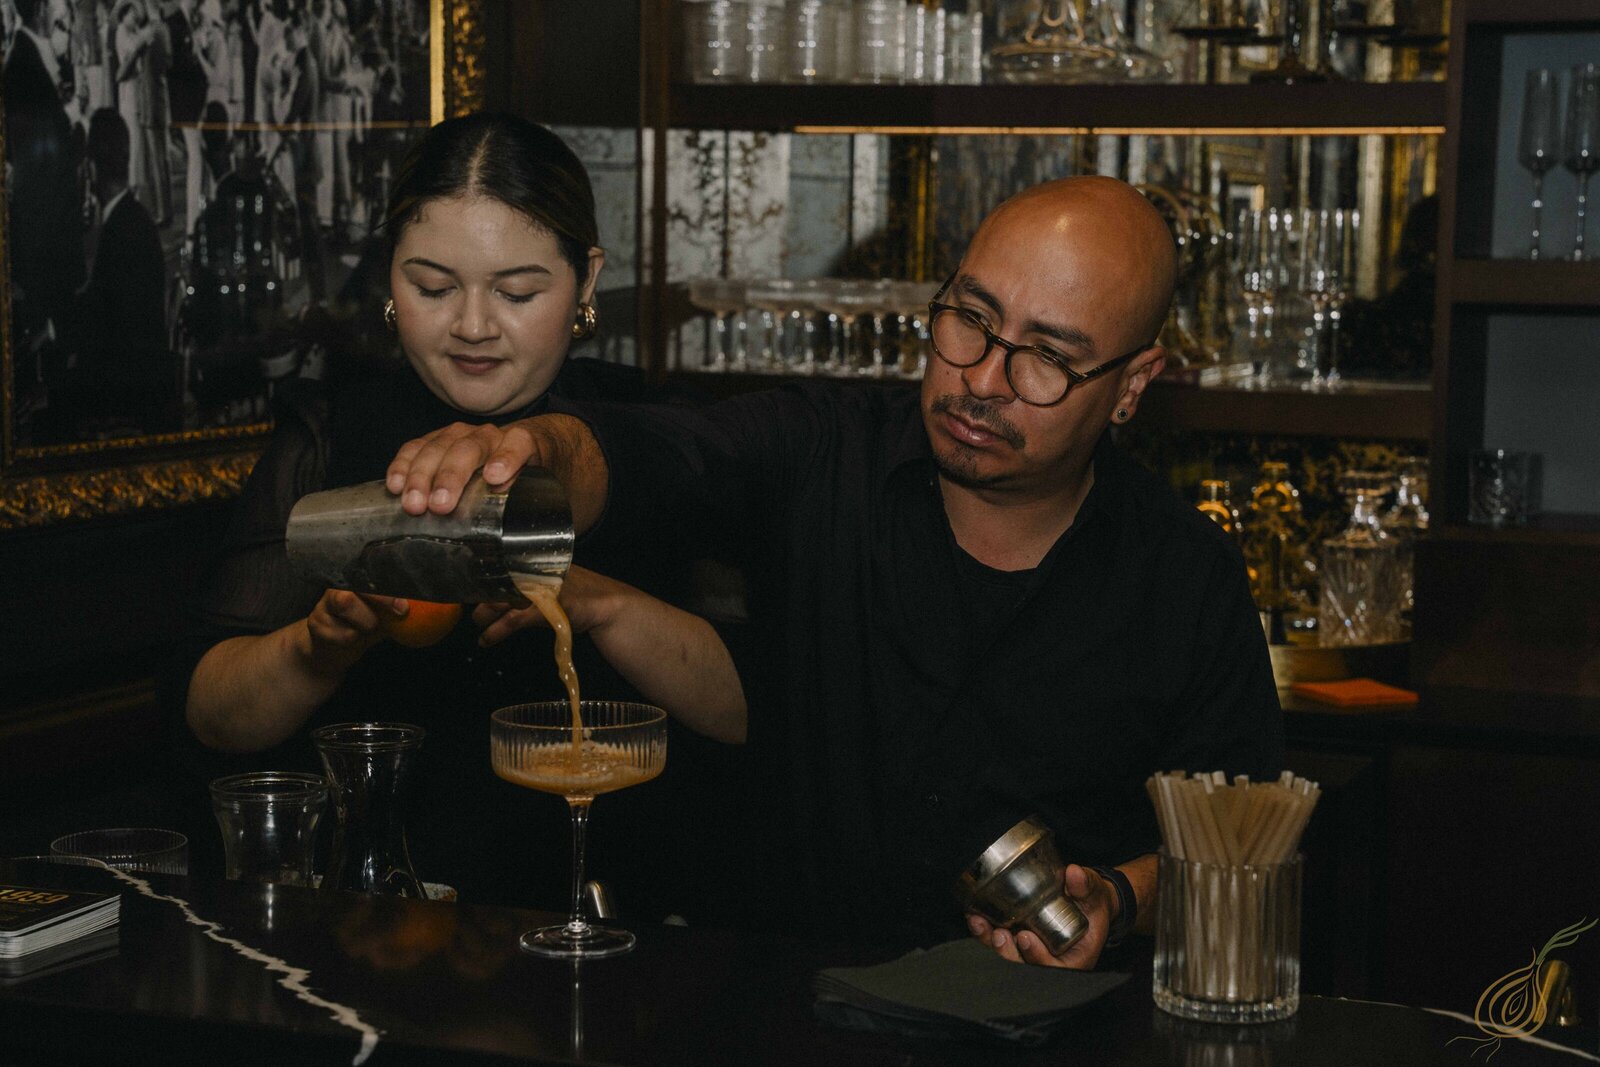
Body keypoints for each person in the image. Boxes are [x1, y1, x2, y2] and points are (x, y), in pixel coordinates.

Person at [384, 176, 1285, 967]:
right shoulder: (822, 453)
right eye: (969, 319)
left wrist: (1119, 900)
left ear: (1133, 384)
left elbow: (1239, 840)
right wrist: (535, 449)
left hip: (1055, 1038)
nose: (982, 379)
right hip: (793, 1018)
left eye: (1047, 358)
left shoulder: (1183, 573)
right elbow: (661, 453)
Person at [174, 113, 734, 912]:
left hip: (629, 928)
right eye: (432, 287)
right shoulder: (332, 437)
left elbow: (756, 703)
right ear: (390, 279)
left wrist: (601, 602)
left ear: (586, 280)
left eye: (518, 291)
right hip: (390, 929)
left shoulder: (652, 438)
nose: (472, 325)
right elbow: (209, 714)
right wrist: (316, 647)